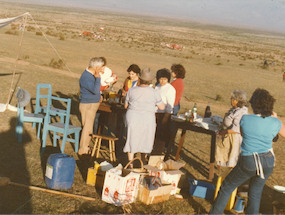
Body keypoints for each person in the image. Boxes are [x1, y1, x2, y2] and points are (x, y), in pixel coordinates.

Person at [210, 88, 285, 214]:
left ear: (254, 104)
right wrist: (275, 119)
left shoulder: (245, 119)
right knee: (255, 193)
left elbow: (245, 133)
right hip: (268, 161)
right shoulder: (275, 122)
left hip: (249, 160)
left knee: (227, 187)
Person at [123, 68, 165, 165]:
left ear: (139, 78)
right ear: (150, 80)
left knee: (132, 137)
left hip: (133, 116)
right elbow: (162, 107)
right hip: (147, 118)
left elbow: (126, 105)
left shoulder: (132, 90)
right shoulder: (154, 92)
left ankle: (130, 163)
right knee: (146, 138)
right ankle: (143, 160)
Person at [215, 90, 248, 167]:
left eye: (232, 98)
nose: (231, 100)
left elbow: (235, 129)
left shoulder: (241, 112)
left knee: (232, 161)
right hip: (227, 136)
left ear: (237, 100)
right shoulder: (234, 109)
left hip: (233, 139)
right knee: (224, 158)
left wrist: (222, 132)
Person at [78, 57, 104, 155]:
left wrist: (98, 96)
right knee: (87, 128)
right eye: (101, 67)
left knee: (87, 127)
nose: (102, 69)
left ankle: (85, 148)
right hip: (88, 105)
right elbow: (95, 90)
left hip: (89, 103)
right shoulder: (87, 76)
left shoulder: (89, 75)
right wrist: (98, 78)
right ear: (96, 67)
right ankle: (83, 150)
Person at [153, 68, 176, 153]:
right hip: (155, 113)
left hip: (164, 115)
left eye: (165, 79)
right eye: (161, 79)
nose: (162, 81)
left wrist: (165, 119)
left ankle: (157, 154)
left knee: (161, 137)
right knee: (154, 136)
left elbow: (170, 106)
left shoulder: (170, 89)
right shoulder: (157, 86)